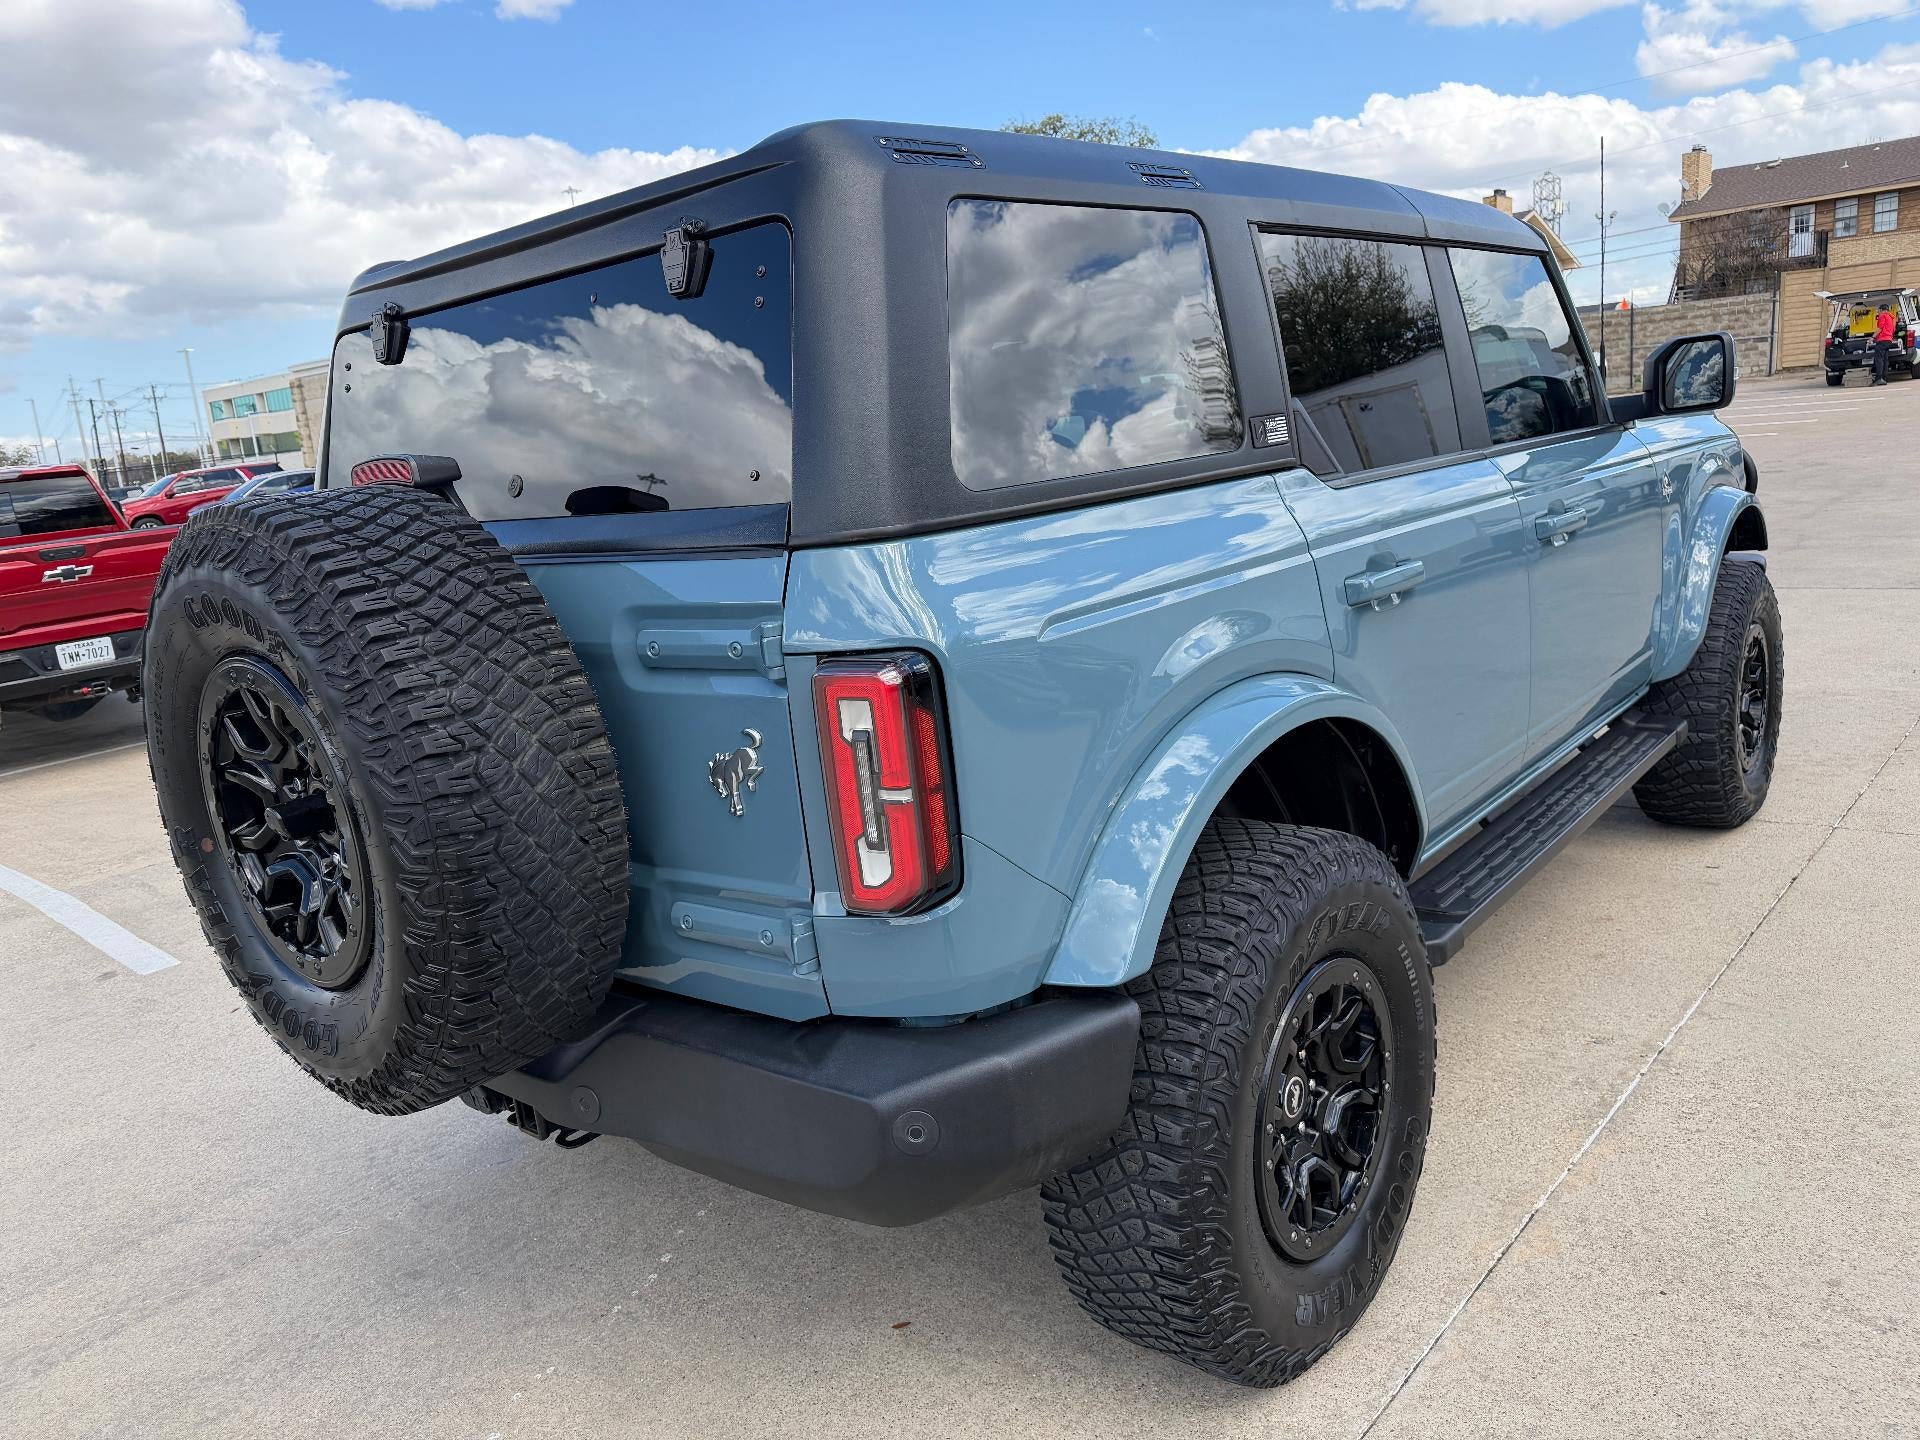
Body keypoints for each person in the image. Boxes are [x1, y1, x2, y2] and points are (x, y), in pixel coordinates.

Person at [1873, 302, 1896, 386]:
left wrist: (1872, 337)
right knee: (1885, 360)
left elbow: (1880, 328)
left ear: (1881, 310)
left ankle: (1879, 378)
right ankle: (1884, 378)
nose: (1878, 312)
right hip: (1889, 340)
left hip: (1882, 340)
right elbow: (1893, 329)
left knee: (1878, 359)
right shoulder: (1892, 317)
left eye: (1878, 311)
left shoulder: (1883, 315)